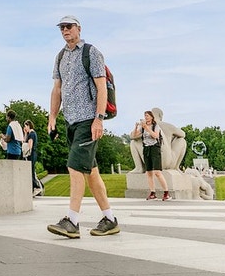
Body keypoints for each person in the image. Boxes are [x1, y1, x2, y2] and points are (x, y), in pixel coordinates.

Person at [46, 15, 119, 238]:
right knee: (92, 173)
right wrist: (52, 118)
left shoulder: (91, 52)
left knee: (75, 167)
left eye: (68, 27)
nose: (65, 30)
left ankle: (72, 221)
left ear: (78, 28)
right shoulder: (60, 57)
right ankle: (109, 219)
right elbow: (57, 89)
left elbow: (101, 87)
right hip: (71, 120)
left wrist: (99, 118)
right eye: (62, 28)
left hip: (88, 120)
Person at [132, 110, 170, 201]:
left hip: (154, 149)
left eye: (148, 115)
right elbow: (133, 136)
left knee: (157, 172)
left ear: (152, 117)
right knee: (149, 172)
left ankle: (166, 193)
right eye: (145, 115)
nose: (146, 117)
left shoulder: (155, 126)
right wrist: (136, 127)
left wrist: (147, 128)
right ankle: (153, 193)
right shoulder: (143, 127)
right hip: (146, 149)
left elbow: (155, 136)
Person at [24, 119, 42, 196]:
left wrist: (27, 153)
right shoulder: (32, 133)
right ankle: (34, 188)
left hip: (31, 154)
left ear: (28, 125)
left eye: (25, 126)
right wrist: (25, 133)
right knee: (31, 171)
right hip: (34, 153)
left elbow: (29, 145)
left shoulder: (31, 134)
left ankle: (36, 186)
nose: (24, 128)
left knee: (31, 171)